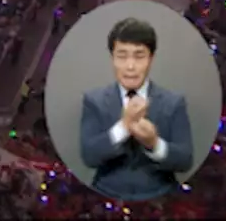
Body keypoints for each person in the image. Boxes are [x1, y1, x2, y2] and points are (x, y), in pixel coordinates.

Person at [79, 17, 194, 201]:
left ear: (151, 58)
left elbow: (185, 160)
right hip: (104, 196)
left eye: (139, 56)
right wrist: (123, 127)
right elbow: (89, 156)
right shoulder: (94, 101)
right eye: (122, 56)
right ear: (112, 58)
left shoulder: (174, 103)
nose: (130, 66)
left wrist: (154, 143)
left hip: (161, 197)